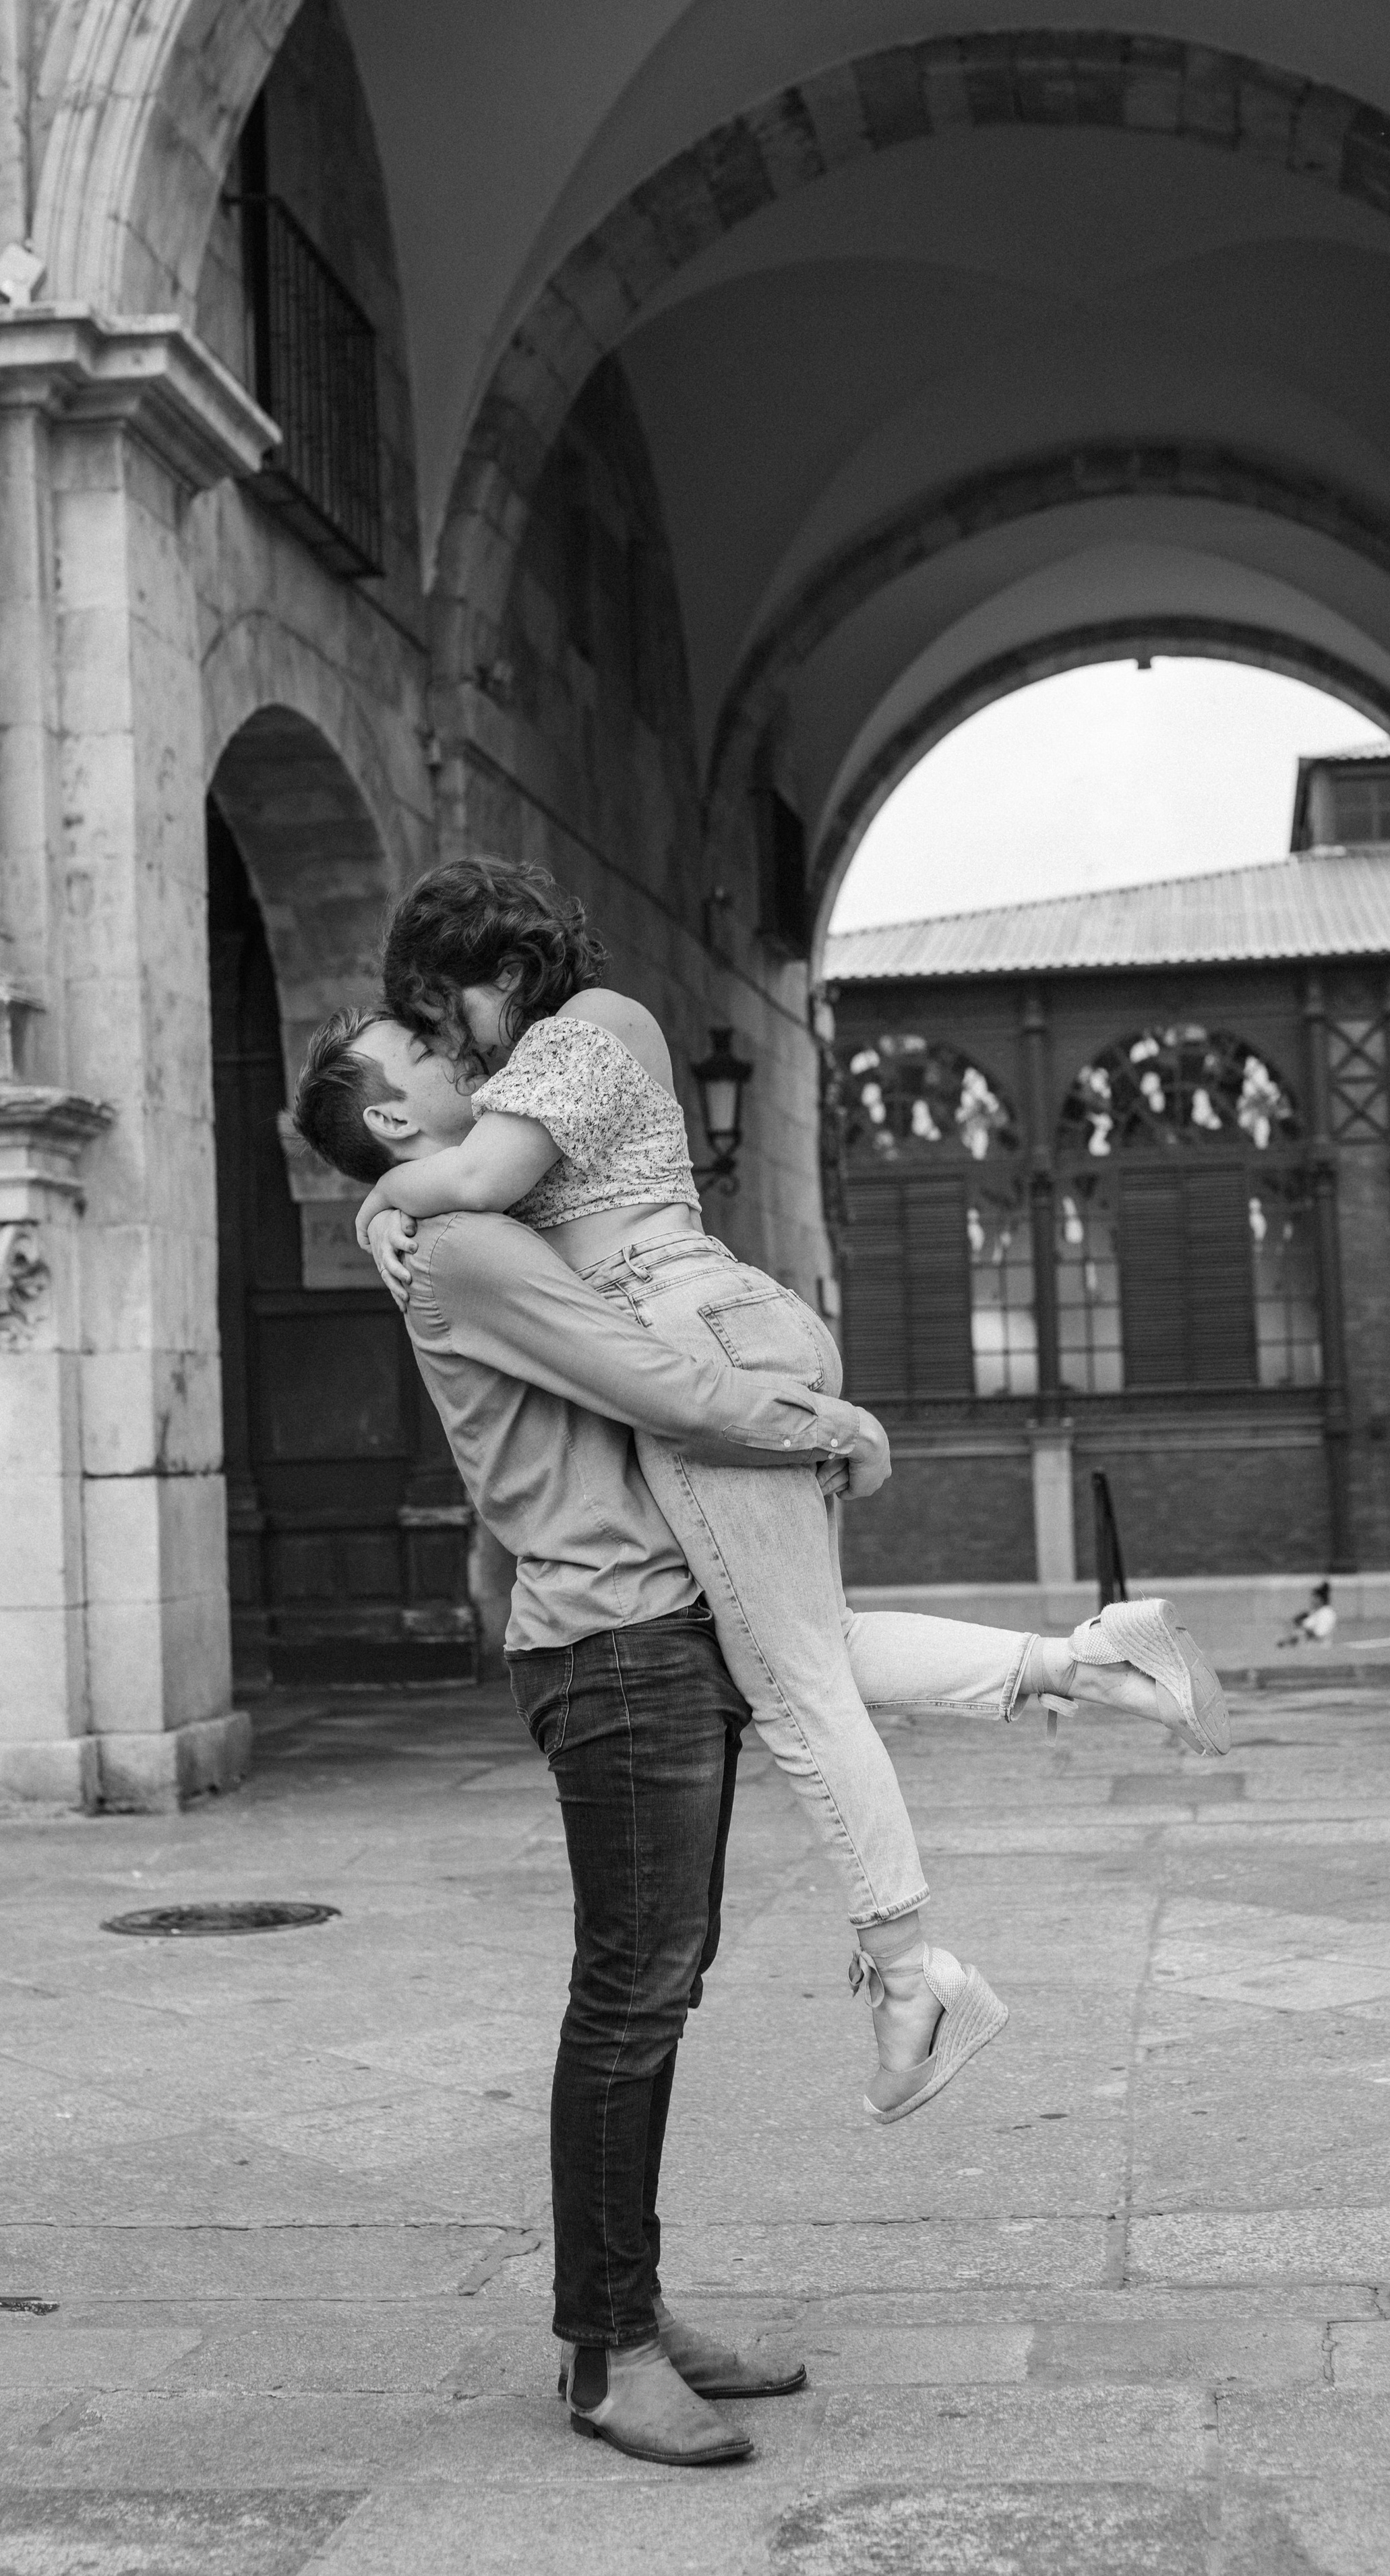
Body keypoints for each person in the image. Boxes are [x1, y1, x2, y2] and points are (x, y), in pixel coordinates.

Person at [289, 999, 1223, 2464]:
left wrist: (384, 1202)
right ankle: (605, 2351)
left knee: (664, 1976)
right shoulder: (466, 1242)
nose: (456, 1057)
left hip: (661, 1621)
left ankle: (633, 2310)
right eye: (417, 1056)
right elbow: (651, 1381)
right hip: (609, 1642)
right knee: (631, 1994)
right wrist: (829, 1428)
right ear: (394, 1118)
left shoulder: (467, 1211)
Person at [340, 862, 1229, 2089]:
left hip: (691, 1329)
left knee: (797, 1687)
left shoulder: (588, 1028)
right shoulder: (550, 1065)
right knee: (803, 1645)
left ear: (497, 974)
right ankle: (1092, 1663)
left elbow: (483, 1182)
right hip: (711, 1322)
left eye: (453, 1020)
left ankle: (915, 1980)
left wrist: (381, 1193)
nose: (465, 1055)